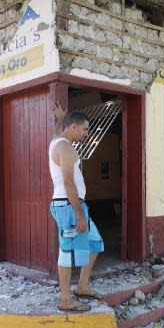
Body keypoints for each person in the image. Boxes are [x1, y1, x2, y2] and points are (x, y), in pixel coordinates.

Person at [49, 102, 104, 312]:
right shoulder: (66, 148)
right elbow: (68, 183)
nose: (86, 133)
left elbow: (57, 131)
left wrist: (60, 119)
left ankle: (81, 286)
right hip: (68, 206)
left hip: (71, 204)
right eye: (85, 129)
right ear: (74, 127)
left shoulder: (57, 141)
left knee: (95, 242)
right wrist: (80, 214)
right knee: (66, 251)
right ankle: (65, 300)